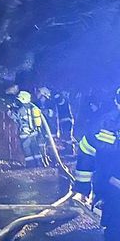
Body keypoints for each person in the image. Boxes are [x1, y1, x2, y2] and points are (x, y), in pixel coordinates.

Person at [74, 87, 120, 241]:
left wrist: (83, 187)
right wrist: (83, 187)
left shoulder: (103, 123)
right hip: (114, 190)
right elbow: (86, 149)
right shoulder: (105, 124)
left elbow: (85, 152)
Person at [8, 90, 46, 167]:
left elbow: (12, 116)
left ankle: (31, 164)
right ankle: (39, 163)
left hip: (24, 133)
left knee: (26, 149)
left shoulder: (20, 109)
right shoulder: (33, 108)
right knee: (35, 148)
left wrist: (10, 109)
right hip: (34, 132)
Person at [54, 91, 75, 156]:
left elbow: (70, 114)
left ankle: (70, 151)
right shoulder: (57, 105)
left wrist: (69, 120)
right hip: (62, 123)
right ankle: (66, 150)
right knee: (63, 137)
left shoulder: (66, 103)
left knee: (68, 136)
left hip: (68, 122)